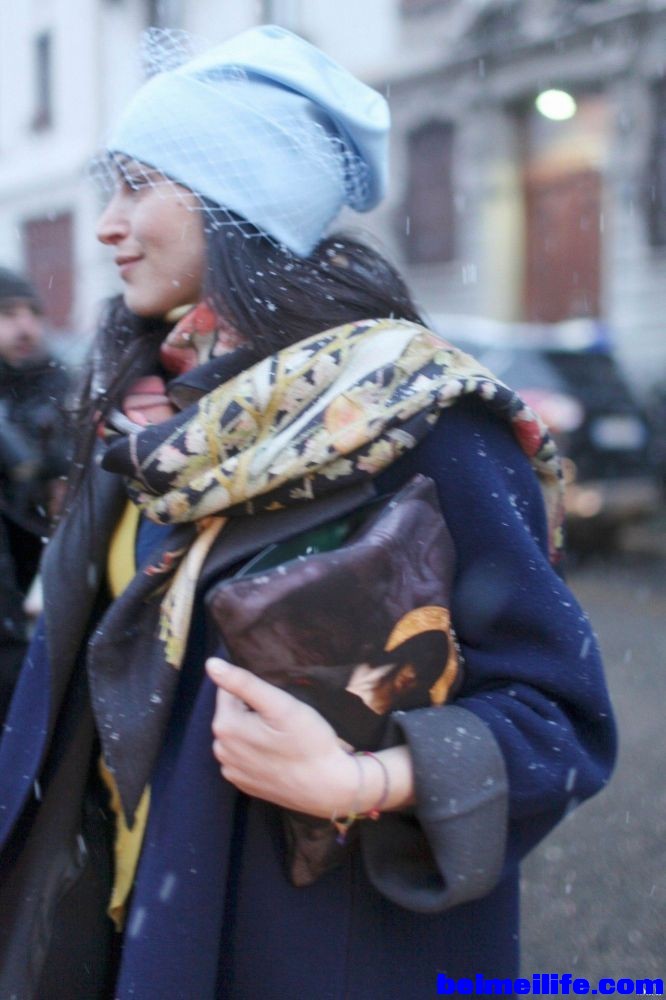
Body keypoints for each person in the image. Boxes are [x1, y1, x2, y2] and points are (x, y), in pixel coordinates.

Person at [0, 25, 616, 999]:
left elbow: (561, 716)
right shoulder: (148, 424)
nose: (107, 226)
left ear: (240, 199)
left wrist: (364, 780)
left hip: (310, 948)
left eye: (138, 186)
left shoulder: (420, 419)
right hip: (125, 924)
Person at [0, 267, 71, 723]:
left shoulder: (61, 388)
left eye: (32, 313)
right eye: (8, 314)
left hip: (39, 589)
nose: (25, 327)